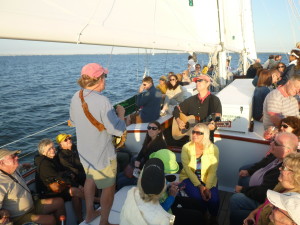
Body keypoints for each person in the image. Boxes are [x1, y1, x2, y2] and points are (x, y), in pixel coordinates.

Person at [69, 63, 126, 225]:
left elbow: (73, 121)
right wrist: (121, 115)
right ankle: (104, 222)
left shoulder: (76, 96)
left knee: (90, 179)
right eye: (104, 77)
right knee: (108, 187)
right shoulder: (103, 101)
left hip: (84, 153)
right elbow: (117, 130)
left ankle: (89, 215)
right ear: (99, 79)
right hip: (102, 154)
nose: (105, 80)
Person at [229, 132, 298, 225]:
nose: (271, 143)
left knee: (235, 200)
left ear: (287, 151)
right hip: (261, 200)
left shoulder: (282, 175)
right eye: (273, 140)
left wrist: (243, 189)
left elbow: (263, 194)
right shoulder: (276, 155)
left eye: (276, 143)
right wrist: (249, 171)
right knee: (243, 176)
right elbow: (262, 163)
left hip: (260, 196)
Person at [0, 148, 65, 225]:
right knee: (50, 220)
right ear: (1, 163)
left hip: (33, 204)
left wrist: (24, 166)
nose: (17, 157)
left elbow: (19, 167)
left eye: (16, 155)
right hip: (20, 216)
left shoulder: (13, 168)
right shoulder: (1, 183)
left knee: (59, 202)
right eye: (12, 157)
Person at [35, 138, 84, 223]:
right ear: (43, 152)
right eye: (49, 149)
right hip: (48, 192)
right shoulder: (44, 164)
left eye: (53, 147)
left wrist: (69, 175)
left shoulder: (53, 159)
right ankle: (96, 200)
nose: (53, 149)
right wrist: (76, 185)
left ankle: (80, 220)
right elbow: (59, 177)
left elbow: (62, 173)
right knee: (74, 190)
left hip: (57, 186)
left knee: (75, 194)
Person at [243, 153, 300, 225]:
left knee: (236, 200)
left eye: (283, 167)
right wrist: (252, 214)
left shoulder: (294, 203)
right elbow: (265, 204)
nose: (279, 168)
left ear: (296, 175)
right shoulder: (281, 185)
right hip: (257, 217)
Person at [179, 123, 220, 224]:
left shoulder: (213, 148)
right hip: (188, 178)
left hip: (208, 179)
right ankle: (203, 215)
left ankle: (213, 217)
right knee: (197, 198)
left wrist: (208, 188)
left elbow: (212, 170)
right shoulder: (186, 147)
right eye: (193, 132)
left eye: (198, 133)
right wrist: (200, 186)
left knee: (214, 199)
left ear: (205, 135)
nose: (194, 135)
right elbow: (188, 170)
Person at [120, 158, 175, 225]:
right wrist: (172, 196)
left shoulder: (131, 193)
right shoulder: (165, 219)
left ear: (140, 179)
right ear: (163, 187)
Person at [116, 121, 167, 190]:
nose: (151, 130)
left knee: (120, 181)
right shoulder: (149, 140)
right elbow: (141, 153)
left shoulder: (160, 145)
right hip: (141, 169)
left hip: (148, 174)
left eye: (154, 128)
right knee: (119, 176)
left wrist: (139, 168)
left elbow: (152, 163)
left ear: (159, 131)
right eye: (149, 128)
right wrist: (137, 160)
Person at [173, 74, 222, 142]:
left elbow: (218, 119)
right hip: (191, 140)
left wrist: (213, 126)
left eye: (200, 81)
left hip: (206, 140)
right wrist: (178, 120)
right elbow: (176, 109)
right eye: (196, 81)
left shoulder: (215, 100)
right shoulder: (191, 100)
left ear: (208, 83)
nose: (197, 83)